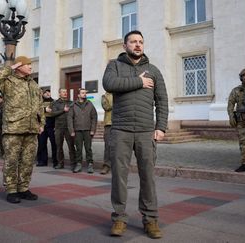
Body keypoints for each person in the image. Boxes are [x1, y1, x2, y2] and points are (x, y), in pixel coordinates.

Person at [103, 30, 169, 239]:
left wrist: (161, 127)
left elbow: (162, 100)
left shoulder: (154, 71)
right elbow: (109, 84)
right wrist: (138, 82)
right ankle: (119, 219)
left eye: (141, 42)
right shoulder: (114, 65)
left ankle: (150, 219)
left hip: (145, 131)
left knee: (148, 177)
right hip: (120, 129)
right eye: (133, 42)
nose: (138, 45)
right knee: (119, 178)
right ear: (125, 46)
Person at [0, 56, 44, 204]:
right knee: (11, 161)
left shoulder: (33, 84)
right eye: (27, 65)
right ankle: (12, 190)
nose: (31, 67)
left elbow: (40, 105)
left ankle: (23, 188)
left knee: (27, 161)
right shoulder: (8, 81)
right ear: (19, 66)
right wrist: (10, 68)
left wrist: (41, 123)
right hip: (13, 128)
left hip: (32, 128)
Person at [68, 88, 98, 173]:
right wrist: (71, 130)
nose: (84, 94)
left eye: (85, 93)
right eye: (82, 93)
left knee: (88, 148)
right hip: (77, 130)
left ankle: (90, 164)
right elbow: (69, 118)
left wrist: (93, 129)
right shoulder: (73, 105)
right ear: (78, 95)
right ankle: (78, 164)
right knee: (79, 149)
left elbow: (94, 117)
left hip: (88, 130)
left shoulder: (90, 104)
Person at [49, 88, 75, 170]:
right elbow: (53, 113)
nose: (65, 93)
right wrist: (63, 110)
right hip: (59, 127)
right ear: (59, 93)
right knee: (59, 147)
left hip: (68, 127)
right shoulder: (55, 103)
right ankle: (60, 163)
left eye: (66, 92)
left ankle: (73, 164)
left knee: (71, 147)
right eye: (63, 92)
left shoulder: (71, 103)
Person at [36, 89, 57, 167]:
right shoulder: (39, 103)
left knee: (54, 144)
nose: (48, 93)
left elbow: (57, 112)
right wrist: (45, 109)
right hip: (42, 126)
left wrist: (56, 126)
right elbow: (35, 111)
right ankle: (42, 161)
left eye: (49, 92)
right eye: (45, 92)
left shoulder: (54, 102)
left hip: (52, 125)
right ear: (42, 94)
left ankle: (56, 162)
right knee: (42, 144)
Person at [100, 91, 113, 175]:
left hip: (121, 123)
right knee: (108, 145)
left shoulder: (120, 92)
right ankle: (106, 165)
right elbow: (107, 107)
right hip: (109, 123)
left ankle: (118, 166)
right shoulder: (104, 96)